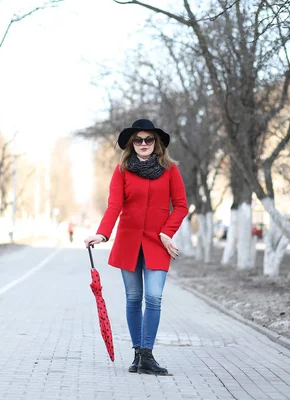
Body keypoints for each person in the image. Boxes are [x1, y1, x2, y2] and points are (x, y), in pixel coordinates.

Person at [84, 118, 188, 376]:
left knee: (154, 297)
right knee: (133, 298)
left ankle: (148, 354)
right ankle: (138, 355)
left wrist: (166, 233)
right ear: (132, 143)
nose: (143, 144)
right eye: (138, 140)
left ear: (157, 143)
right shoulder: (122, 171)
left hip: (157, 243)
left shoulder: (170, 170)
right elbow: (114, 206)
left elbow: (181, 206)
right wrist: (102, 234)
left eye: (148, 139)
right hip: (128, 242)